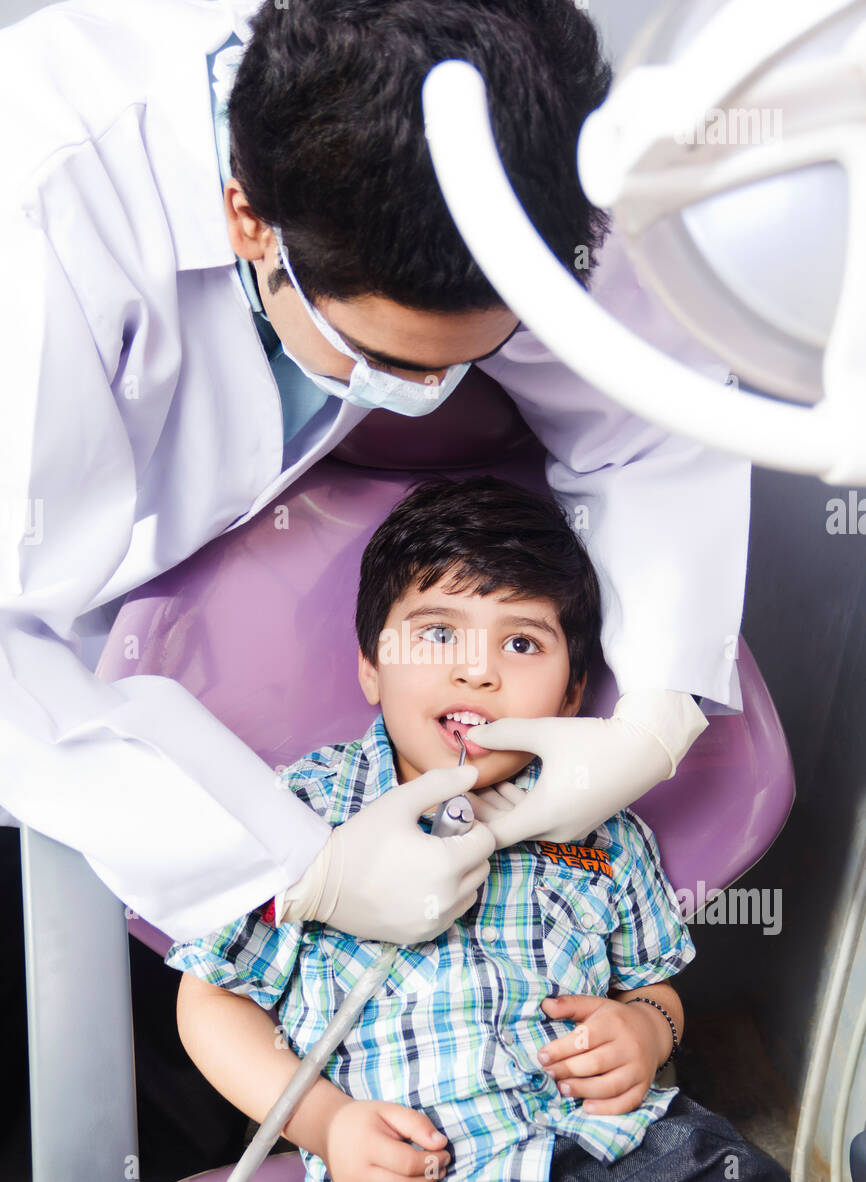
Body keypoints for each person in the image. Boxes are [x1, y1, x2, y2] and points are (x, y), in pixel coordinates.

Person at [0, 0, 747, 947]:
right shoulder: (40, 207)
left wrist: (656, 712)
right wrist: (298, 871)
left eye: (474, 354)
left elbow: (651, 405)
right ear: (248, 218)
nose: (433, 392)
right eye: (388, 362)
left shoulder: (534, 142)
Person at [165, 478, 792, 1182]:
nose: (478, 671)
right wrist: (328, 1127)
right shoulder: (303, 814)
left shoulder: (606, 829)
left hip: (636, 1159)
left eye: (523, 644)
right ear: (369, 668)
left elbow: (656, 988)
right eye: (435, 635)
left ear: (574, 693)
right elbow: (211, 1003)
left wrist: (644, 1032)